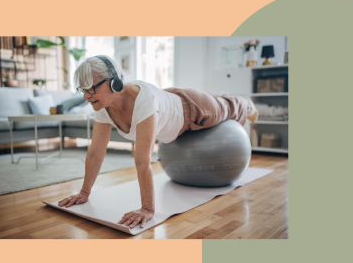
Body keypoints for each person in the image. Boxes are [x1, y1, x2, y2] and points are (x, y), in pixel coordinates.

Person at [57, 55, 258, 229]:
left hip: (193, 108)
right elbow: (95, 153)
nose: (85, 96)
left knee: (228, 107)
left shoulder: (143, 101)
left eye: (90, 89)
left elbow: (143, 160)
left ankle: (246, 105)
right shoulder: (102, 105)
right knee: (221, 104)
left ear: (114, 83)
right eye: (82, 90)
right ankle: (223, 99)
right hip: (168, 102)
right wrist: (84, 192)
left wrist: (147, 208)